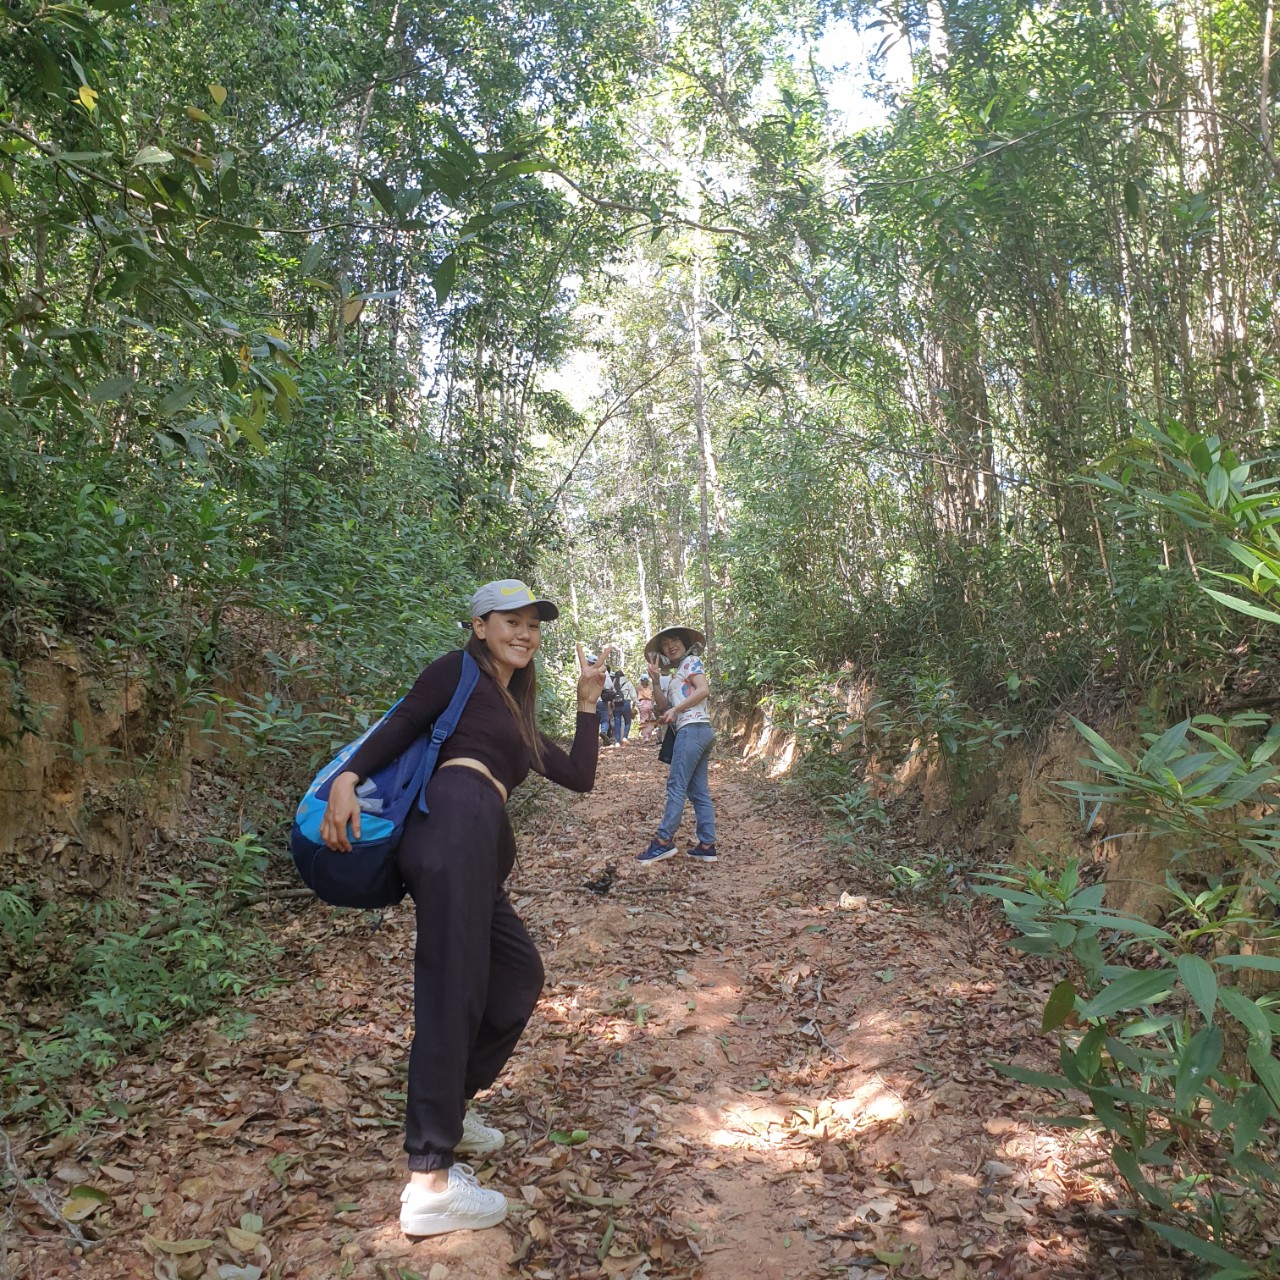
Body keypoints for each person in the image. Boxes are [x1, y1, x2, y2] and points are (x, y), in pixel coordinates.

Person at [319, 580, 605, 1237]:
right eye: (511, 621)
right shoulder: (455, 671)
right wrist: (345, 778)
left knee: (516, 976)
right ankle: (430, 1180)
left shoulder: (511, 707)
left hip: (478, 846)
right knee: (454, 992)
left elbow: (581, 777)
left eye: (534, 624)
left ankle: (453, 1107)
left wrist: (589, 704)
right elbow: (401, 724)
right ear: (479, 626)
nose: (525, 633)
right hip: (450, 827)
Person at [637, 625, 718, 865]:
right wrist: (655, 682)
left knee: (676, 785)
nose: (670, 646)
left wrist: (676, 710)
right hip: (698, 730)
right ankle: (707, 845)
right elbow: (664, 707)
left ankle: (663, 842)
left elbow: (703, 690)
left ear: (684, 643)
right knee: (698, 791)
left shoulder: (692, 661)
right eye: (665, 644)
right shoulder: (675, 675)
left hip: (692, 731)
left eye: (675, 641)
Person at [604, 660, 636, 747]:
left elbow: (611, 695)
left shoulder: (613, 684)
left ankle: (617, 741)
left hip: (616, 704)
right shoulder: (628, 683)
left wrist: (611, 706)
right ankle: (625, 737)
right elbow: (634, 696)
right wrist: (636, 705)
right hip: (626, 703)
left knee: (617, 722)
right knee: (628, 722)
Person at [636, 676, 657, 743]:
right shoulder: (651, 687)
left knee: (643, 720)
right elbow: (653, 695)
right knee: (650, 720)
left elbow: (636, 696)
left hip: (642, 704)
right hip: (650, 703)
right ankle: (649, 736)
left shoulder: (638, 687)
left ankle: (645, 737)